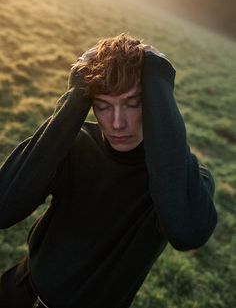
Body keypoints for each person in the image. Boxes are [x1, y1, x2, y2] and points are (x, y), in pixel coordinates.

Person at [0, 33, 217, 308]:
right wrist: (77, 95)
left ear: (154, 103)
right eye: (102, 106)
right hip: (17, 288)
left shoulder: (185, 180)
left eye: (133, 103)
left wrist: (159, 80)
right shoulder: (75, 144)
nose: (116, 122)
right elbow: (4, 205)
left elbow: (188, 231)